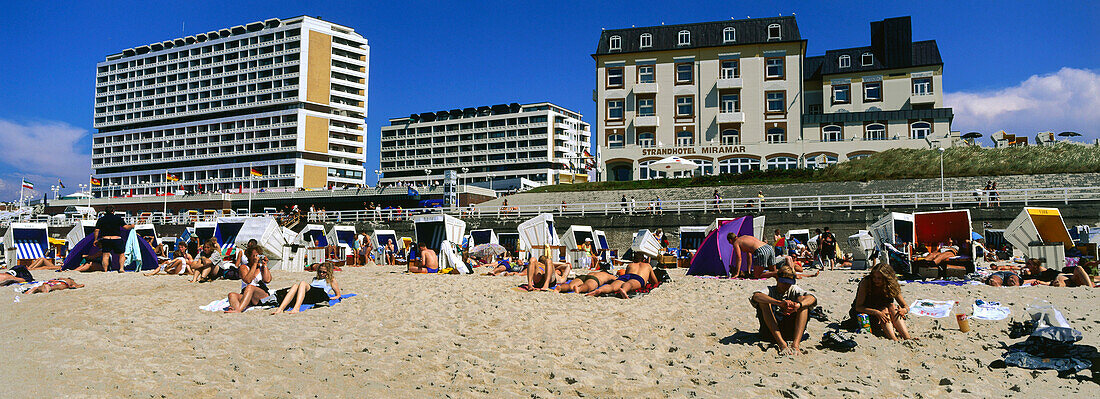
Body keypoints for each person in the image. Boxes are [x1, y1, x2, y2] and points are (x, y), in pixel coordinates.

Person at [749, 265, 816, 355]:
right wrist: (778, 303)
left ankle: (795, 344)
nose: (786, 286)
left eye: (789, 283)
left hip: (791, 331)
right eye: (784, 283)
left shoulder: (793, 289)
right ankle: (781, 343)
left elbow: (812, 298)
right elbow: (756, 296)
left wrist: (798, 305)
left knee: (803, 301)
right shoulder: (771, 290)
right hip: (771, 333)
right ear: (777, 279)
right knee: (764, 302)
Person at [850, 262, 913, 340]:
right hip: (865, 315)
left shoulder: (892, 286)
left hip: (883, 314)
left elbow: (906, 306)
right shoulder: (866, 282)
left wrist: (903, 310)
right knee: (884, 309)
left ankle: (907, 337)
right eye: (874, 277)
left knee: (892, 306)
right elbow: (858, 307)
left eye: (879, 278)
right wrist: (876, 312)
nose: (875, 280)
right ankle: (894, 339)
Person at [271, 262, 343, 314]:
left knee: (303, 283)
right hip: (312, 294)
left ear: (328, 272)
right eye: (320, 271)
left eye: (324, 272)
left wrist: (331, 298)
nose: (321, 274)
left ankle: (296, 308)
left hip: (321, 294)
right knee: (295, 286)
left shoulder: (331, 280)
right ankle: (280, 309)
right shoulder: (315, 278)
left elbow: (338, 294)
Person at [226, 244, 274, 313]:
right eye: (254, 256)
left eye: (258, 255)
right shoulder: (244, 267)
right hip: (247, 295)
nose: (257, 258)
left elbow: (267, 280)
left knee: (250, 287)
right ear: (249, 256)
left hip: (260, 295)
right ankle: (236, 309)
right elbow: (248, 280)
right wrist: (254, 265)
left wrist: (265, 265)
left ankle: (239, 309)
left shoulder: (261, 267)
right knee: (231, 295)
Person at [586, 253, 659, 298]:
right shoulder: (647, 266)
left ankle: (599, 290)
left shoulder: (630, 265)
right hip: (638, 278)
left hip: (626, 276)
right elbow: (655, 281)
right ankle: (624, 290)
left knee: (612, 287)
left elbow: (627, 276)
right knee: (630, 284)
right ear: (643, 259)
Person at [93, 205, 134, 273]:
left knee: (106, 255)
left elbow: (96, 230)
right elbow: (125, 227)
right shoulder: (118, 218)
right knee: (121, 254)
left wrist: (95, 239)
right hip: (116, 239)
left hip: (106, 239)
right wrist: (132, 226)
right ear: (113, 211)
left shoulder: (101, 219)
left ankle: (105, 270)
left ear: (105, 212)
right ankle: (121, 268)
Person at [1020, 258, 1094, 287]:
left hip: (1067, 276)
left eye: (1029, 264)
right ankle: (1090, 286)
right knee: (1058, 283)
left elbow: (1039, 269)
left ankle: (1090, 289)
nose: (1026, 265)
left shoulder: (1042, 270)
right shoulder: (1032, 275)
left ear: (1035, 266)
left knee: (1078, 268)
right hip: (1060, 280)